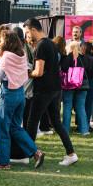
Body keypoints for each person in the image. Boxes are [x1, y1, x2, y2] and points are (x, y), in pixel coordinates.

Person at [22, 19, 78, 166]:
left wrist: (27, 73)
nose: (27, 35)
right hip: (55, 88)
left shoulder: (41, 46)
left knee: (32, 122)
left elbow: (38, 72)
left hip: (43, 89)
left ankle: (29, 154)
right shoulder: (52, 44)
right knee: (56, 123)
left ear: (33, 29)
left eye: (27, 32)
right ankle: (71, 153)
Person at [0, 27, 44, 170]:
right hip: (20, 93)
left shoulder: (6, 56)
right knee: (15, 127)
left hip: (8, 93)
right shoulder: (22, 54)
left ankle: (3, 162)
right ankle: (35, 152)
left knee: (3, 128)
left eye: (0, 40)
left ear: (6, 42)